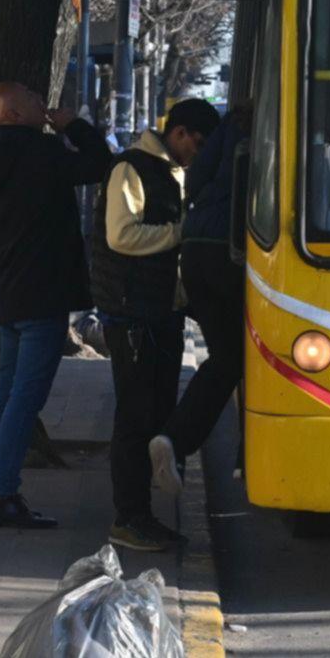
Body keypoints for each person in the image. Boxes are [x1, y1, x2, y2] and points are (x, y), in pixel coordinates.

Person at [0, 82, 112, 529]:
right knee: (25, 397)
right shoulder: (40, 150)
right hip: (44, 291)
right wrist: (75, 127)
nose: (44, 104)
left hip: (8, 291)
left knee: (5, 391)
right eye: (34, 100)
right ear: (13, 113)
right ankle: (3, 493)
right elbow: (100, 165)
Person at [92, 97, 220, 552]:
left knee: (157, 414)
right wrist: (180, 232)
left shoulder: (174, 172)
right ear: (179, 133)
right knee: (135, 417)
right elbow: (121, 235)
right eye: (197, 144)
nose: (197, 155)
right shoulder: (132, 167)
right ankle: (129, 517)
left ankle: (143, 514)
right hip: (133, 313)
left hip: (162, 312)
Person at [148, 105, 251, 497]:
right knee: (247, 355)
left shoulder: (227, 128)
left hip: (195, 250)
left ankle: (174, 441)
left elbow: (196, 180)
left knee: (226, 357)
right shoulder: (271, 121)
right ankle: (238, 449)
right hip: (231, 251)